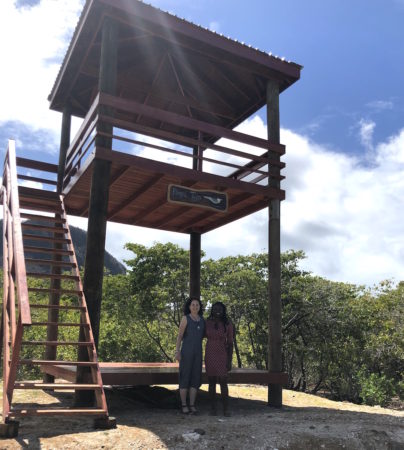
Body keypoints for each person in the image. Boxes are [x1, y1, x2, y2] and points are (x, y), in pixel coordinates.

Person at [175, 297, 205, 414]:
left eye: (197, 305)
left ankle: (192, 404)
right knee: (185, 377)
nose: (195, 307)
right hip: (186, 352)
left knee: (195, 378)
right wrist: (177, 351)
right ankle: (184, 404)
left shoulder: (202, 320)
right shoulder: (185, 318)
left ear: (200, 307)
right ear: (189, 306)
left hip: (198, 353)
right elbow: (179, 336)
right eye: (193, 305)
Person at [204, 301, 234, 416]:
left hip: (222, 354)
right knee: (211, 382)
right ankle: (213, 408)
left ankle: (226, 408)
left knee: (223, 382)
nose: (218, 311)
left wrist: (229, 360)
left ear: (223, 311)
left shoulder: (228, 324)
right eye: (215, 309)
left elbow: (230, 343)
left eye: (220, 309)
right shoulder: (207, 323)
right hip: (210, 353)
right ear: (212, 310)